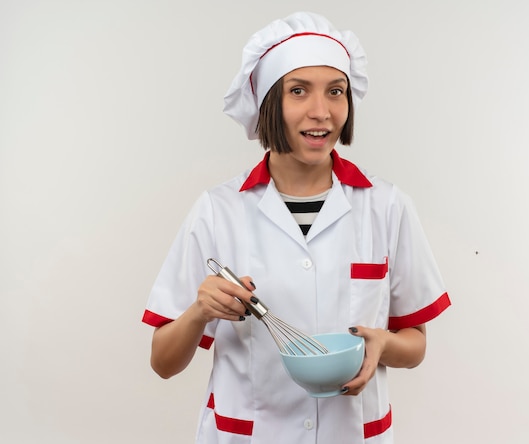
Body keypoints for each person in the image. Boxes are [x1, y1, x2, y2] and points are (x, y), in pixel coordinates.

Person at [142, 11, 451, 444]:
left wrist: (382, 344)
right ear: (270, 103)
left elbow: (415, 344)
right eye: (298, 91)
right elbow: (163, 361)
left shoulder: (387, 207)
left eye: (336, 92)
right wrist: (200, 311)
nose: (321, 112)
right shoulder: (218, 210)